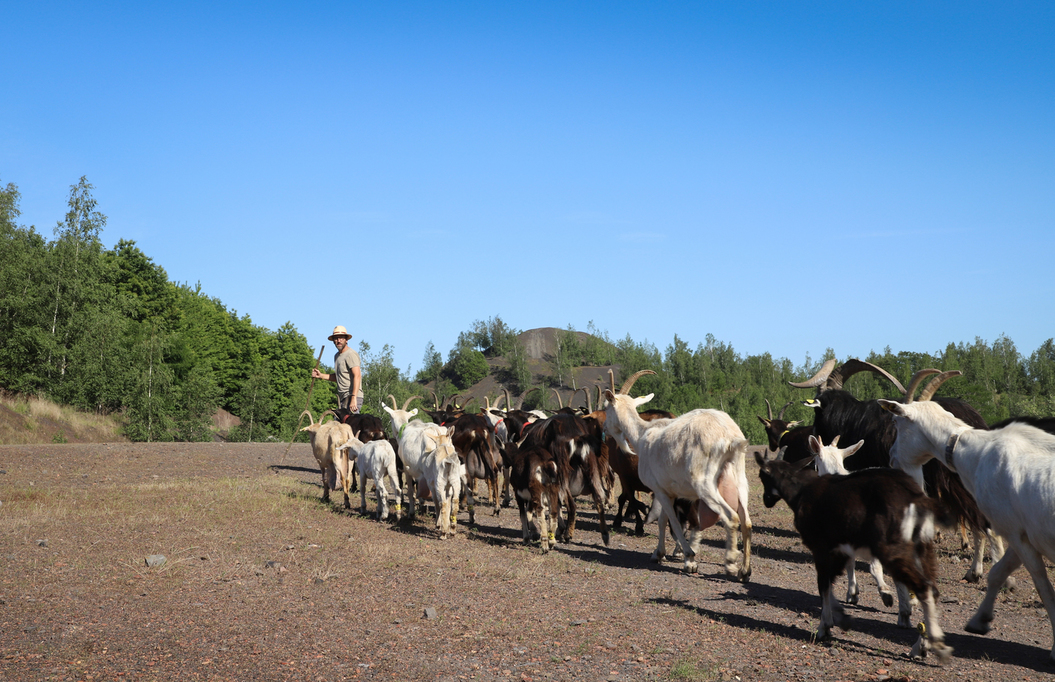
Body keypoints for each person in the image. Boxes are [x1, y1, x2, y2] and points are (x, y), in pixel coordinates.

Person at [312, 325, 363, 413]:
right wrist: (320, 375)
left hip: (352, 396)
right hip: (343, 398)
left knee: (351, 421)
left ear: (346, 340)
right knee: (337, 421)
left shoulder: (351, 354)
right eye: (336, 338)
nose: (338, 341)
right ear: (333, 341)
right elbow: (339, 377)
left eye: (341, 338)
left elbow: (357, 376)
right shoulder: (337, 356)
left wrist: (354, 398)